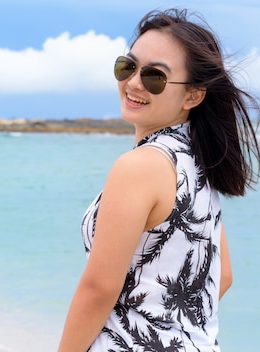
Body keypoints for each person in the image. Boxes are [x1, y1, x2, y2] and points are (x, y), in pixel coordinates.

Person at [58, 8, 259, 352]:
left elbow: (99, 288)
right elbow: (221, 278)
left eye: (155, 77)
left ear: (193, 96)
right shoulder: (198, 163)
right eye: (128, 66)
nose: (134, 82)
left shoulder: (140, 166)